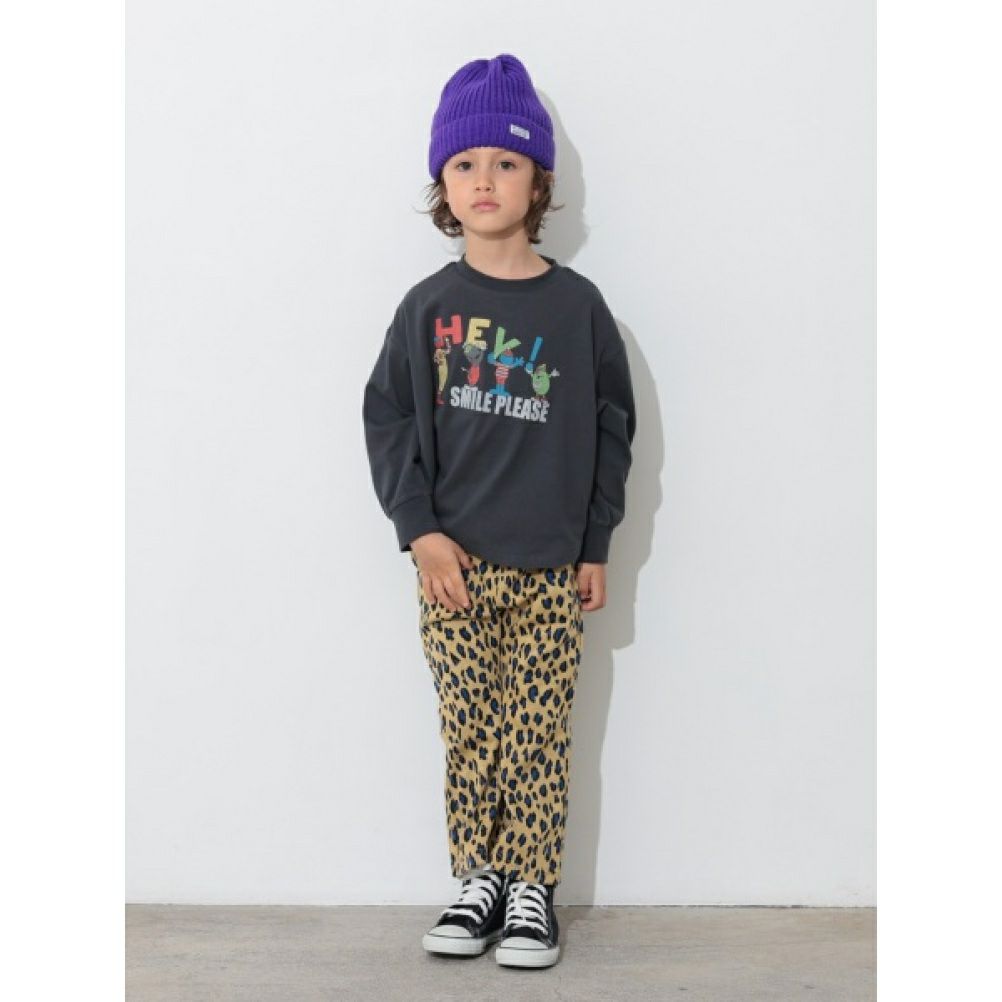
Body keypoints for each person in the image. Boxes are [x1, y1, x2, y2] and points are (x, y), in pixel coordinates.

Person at [361, 53, 636, 970]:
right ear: (443, 185)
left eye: (506, 162)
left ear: (538, 180)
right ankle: (478, 877)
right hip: (456, 568)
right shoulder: (427, 308)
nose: (485, 179)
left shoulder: (578, 309)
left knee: (538, 733)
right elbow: (389, 420)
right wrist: (421, 533)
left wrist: (595, 541)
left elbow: (612, 429)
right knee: (470, 729)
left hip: (551, 565)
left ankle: (530, 889)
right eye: (465, 163)